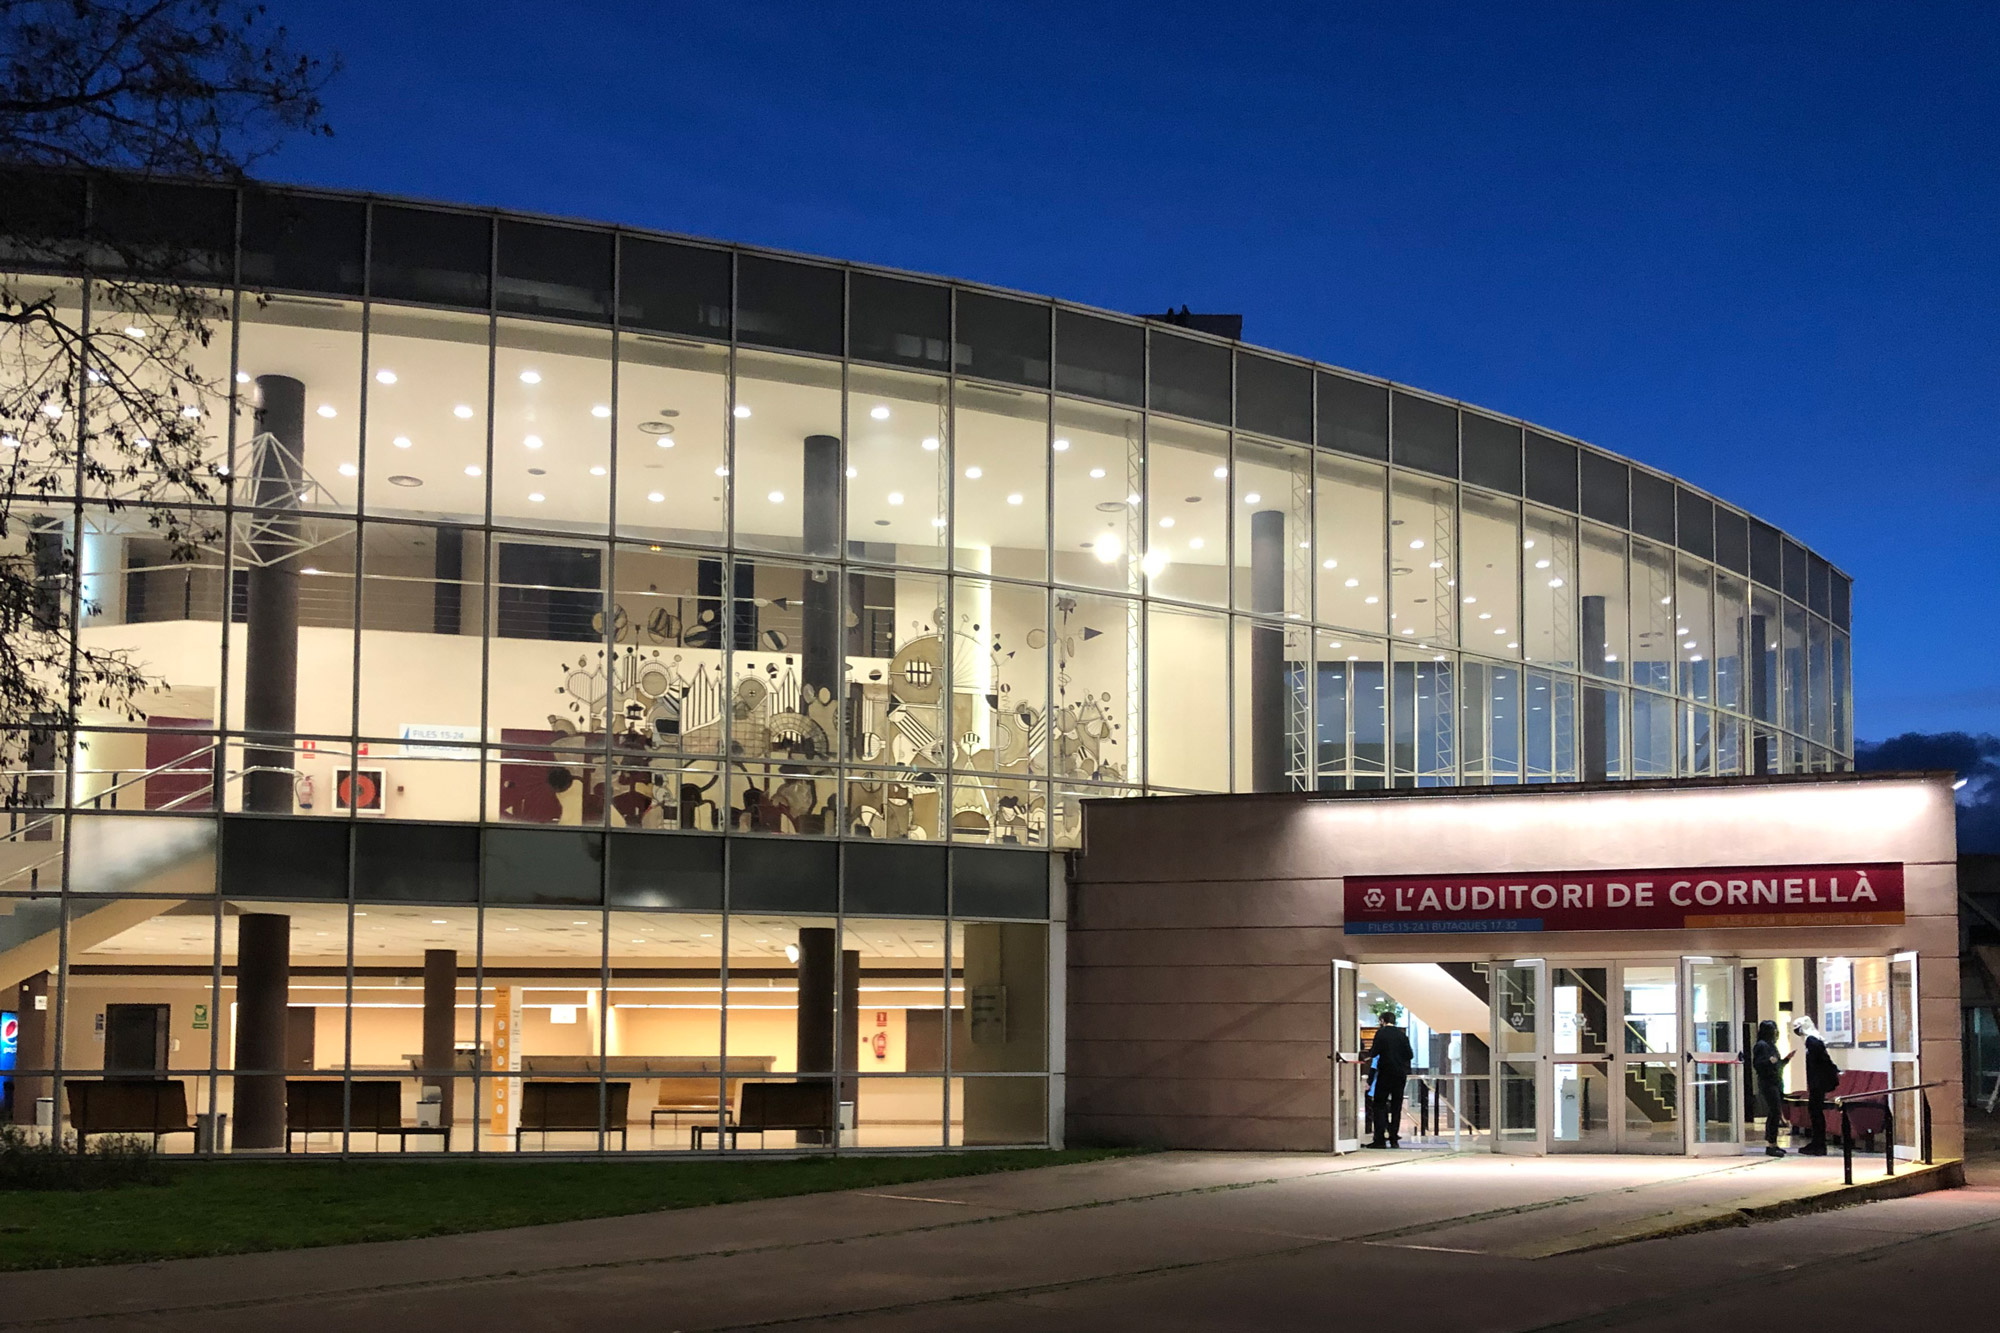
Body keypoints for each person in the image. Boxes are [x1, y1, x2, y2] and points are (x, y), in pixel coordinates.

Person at [1791, 1016, 1842, 1156]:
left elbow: (1822, 1061)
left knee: (1816, 1112)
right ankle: (1817, 1142)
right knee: (1815, 1112)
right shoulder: (1813, 1040)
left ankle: (1819, 1144)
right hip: (1817, 1082)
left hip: (1818, 1083)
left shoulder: (1812, 1041)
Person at [1365, 1011, 1415, 1149]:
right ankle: (1394, 1139)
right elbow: (1410, 1055)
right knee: (1396, 1106)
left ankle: (1380, 1139)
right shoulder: (1402, 1035)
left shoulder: (1381, 1033)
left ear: (1382, 1020)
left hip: (1385, 1073)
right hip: (1400, 1075)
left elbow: (1374, 1052)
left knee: (1379, 1105)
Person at [1751, 1019, 1794, 1157]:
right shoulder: (1761, 1045)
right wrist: (1770, 1061)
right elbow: (1758, 1064)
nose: (1776, 1033)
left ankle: (1773, 1143)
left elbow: (1777, 1064)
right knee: (1774, 1112)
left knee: (1775, 1112)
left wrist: (1785, 1060)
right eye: (1773, 1031)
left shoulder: (1771, 1045)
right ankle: (1770, 1144)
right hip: (1767, 1082)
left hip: (1775, 1081)